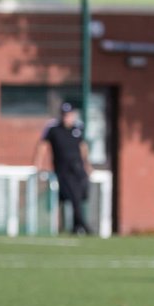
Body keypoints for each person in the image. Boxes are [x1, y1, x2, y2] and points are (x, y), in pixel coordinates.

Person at [33, 101, 91, 235]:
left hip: (78, 168)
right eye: (64, 114)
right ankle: (82, 226)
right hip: (63, 170)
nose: (66, 117)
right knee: (74, 196)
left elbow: (83, 147)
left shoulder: (78, 129)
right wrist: (38, 164)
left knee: (81, 194)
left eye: (69, 114)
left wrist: (87, 164)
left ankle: (76, 225)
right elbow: (42, 145)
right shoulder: (53, 129)